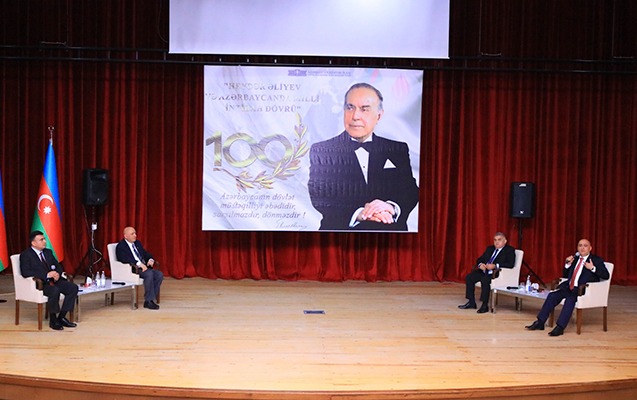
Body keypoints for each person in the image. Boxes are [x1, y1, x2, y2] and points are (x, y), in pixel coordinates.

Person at [308, 82, 419, 231]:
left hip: (390, 236)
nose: (355, 116)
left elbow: (410, 190)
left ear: (379, 115)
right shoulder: (322, 150)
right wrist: (360, 214)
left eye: (364, 109)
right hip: (338, 236)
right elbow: (319, 194)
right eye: (350, 107)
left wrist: (390, 207)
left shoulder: (397, 149)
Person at [526, 238, 609, 336]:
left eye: (585, 246)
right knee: (552, 296)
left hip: (582, 290)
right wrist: (567, 265)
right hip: (569, 287)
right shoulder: (575, 259)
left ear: (590, 248)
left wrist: (592, 268)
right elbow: (565, 276)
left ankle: (560, 327)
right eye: (580, 245)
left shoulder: (596, 260)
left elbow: (606, 275)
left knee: (570, 300)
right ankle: (540, 322)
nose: (582, 248)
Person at [19, 230, 78, 330]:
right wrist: (46, 275)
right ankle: (53, 320)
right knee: (54, 290)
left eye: (44, 239)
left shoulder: (48, 252)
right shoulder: (26, 255)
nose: (45, 241)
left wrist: (57, 273)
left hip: (54, 281)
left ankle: (62, 317)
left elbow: (58, 265)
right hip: (41, 284)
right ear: (33, 243)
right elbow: (25, 272)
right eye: (41, 240)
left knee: (73, 288)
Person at [458, 232, 516, 314]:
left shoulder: (509, 250)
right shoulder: (490, 249)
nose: (497, 242)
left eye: (499, 240)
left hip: (496, 273)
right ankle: (471, 302)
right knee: (469, 277)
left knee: (484, 280)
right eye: (495, 240)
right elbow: (480, 259)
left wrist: (495, 265)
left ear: (505, 241)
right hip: (485, 271)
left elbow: (510, 264)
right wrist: (480, 264)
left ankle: (484, 305)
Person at [115, 226, 163, 310]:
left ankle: (151, 298)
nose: (135, 235)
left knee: (159, 274)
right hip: (133, 269)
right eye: (132, 234)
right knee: (149, 274)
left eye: (135, 233)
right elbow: (123, 258)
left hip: (144, 267)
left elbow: (145, 253)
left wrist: (150, 259)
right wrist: (138, 264)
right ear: (125, 236)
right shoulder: (121, 246)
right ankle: (148, 301)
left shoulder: (137, 243)